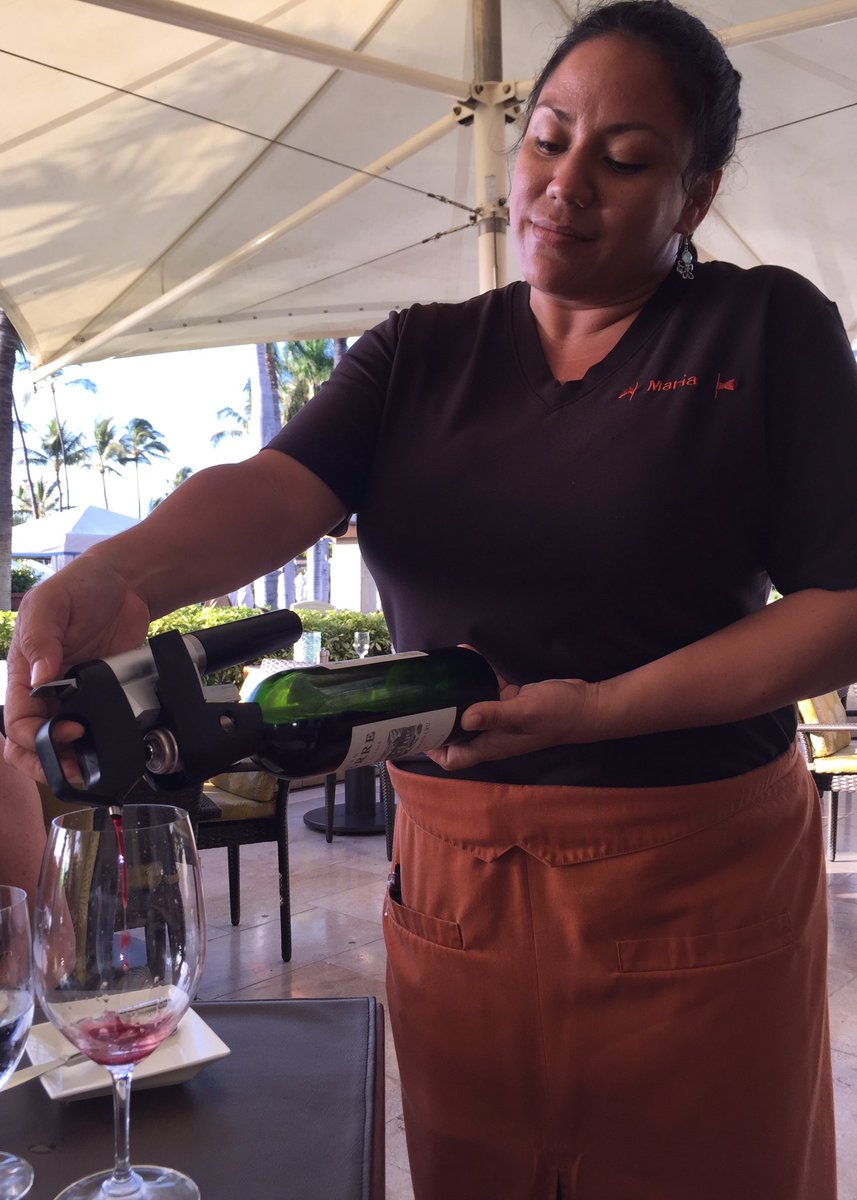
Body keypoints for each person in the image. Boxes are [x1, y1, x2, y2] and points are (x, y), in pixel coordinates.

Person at [4, 1, 857, 1195]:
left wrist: (600, 710)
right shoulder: (417, 351)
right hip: (460, 875)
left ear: (694, 196)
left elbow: (839, 605)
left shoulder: (762, 329)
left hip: (690, 881)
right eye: (547, 139)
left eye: (623, 160)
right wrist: (115, 574)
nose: (565, 183)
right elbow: (269, 489)